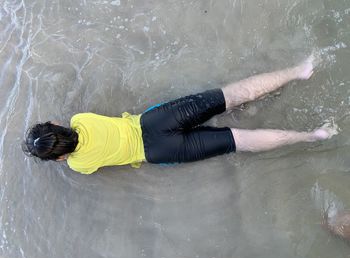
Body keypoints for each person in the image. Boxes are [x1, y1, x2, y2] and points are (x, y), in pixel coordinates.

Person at [22, 55, 335, 174]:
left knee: (238, 140)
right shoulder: (81, 119)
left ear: (60, 158)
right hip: (155, 121)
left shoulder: (79, 166)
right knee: (231, 96)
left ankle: (313, 135)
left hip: (159, 152)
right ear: (56, 123)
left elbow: (83, 156)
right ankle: (299, 71)